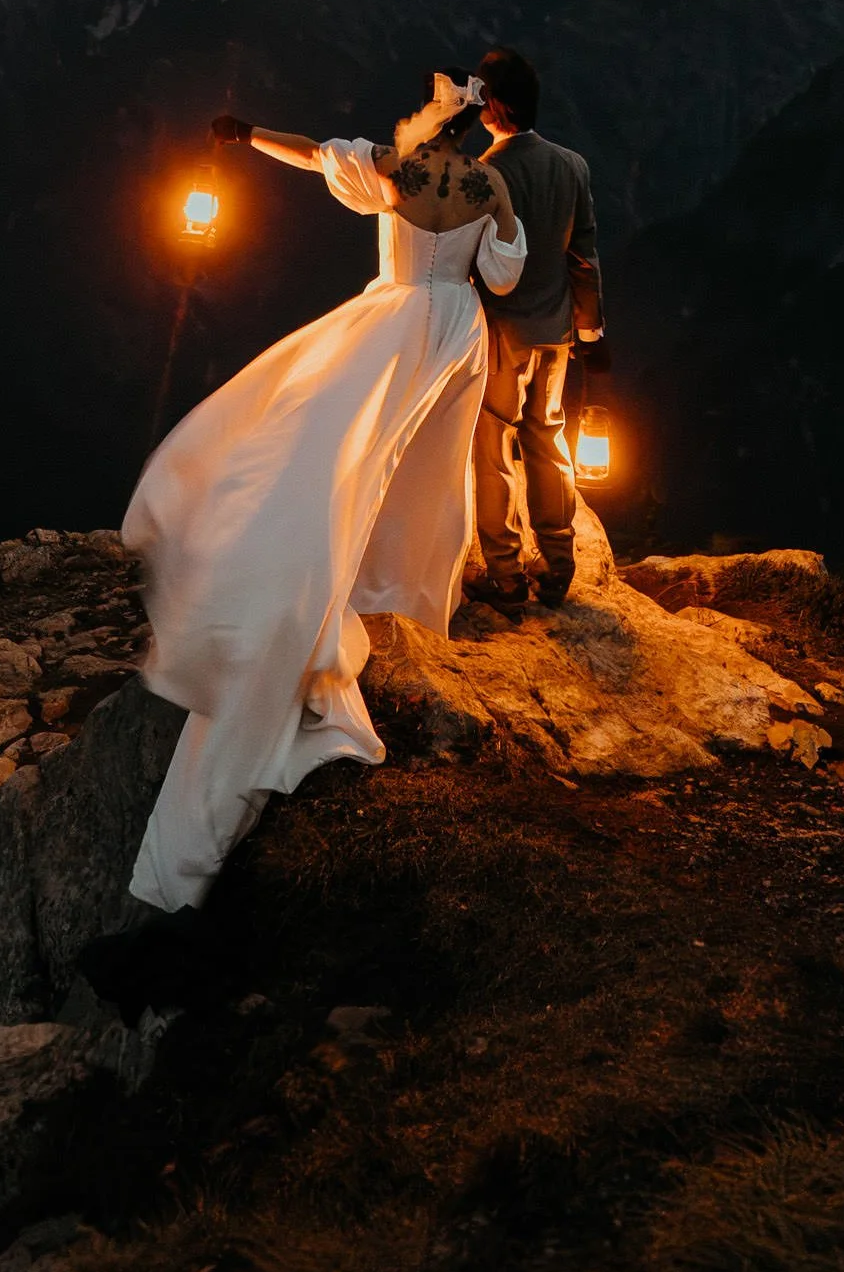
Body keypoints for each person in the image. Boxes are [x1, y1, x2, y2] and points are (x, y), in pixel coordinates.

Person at [120, 75, 523, 913]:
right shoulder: (492, 184)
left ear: (428, 123)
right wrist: (499, 232)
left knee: (333, 442)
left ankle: (312, 570)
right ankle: (396, 582)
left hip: (396, 317)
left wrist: (248, 133)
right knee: (418, 469)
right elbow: (505, 274)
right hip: (457, 329)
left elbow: (313, 157)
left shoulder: (395, 167)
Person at [464, 45, 602, 611]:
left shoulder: (487, 173)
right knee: (547, 438)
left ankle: (505, 574)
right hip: (557, 328)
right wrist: (591, 329)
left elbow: (471, 256)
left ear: (493, 105)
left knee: (492, 443)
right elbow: (585, 255)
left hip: (501, 331)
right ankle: (558, 562)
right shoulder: (572, 166)